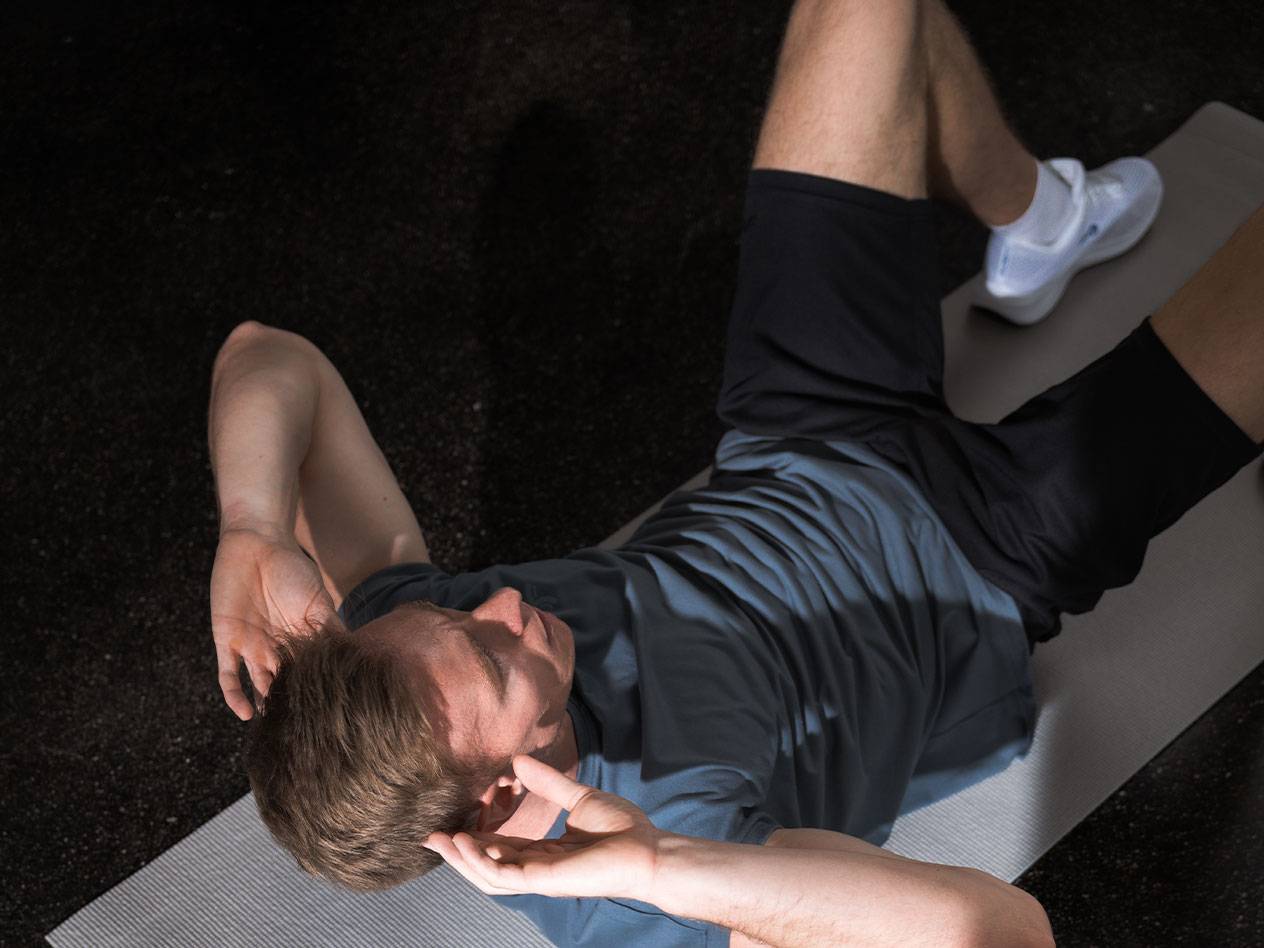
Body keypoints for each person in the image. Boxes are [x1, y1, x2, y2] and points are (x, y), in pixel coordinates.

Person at [207, 0, 1264, 944]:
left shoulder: (414, 643)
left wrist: (253, 526)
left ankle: (1040, 221)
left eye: (457, 612)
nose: (501, 600)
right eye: (493, 655)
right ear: (492, 804)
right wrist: (666, 867)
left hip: (795, 429)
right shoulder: (651, 895)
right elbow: (978, 931)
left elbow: (271, 355)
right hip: (980, 559)